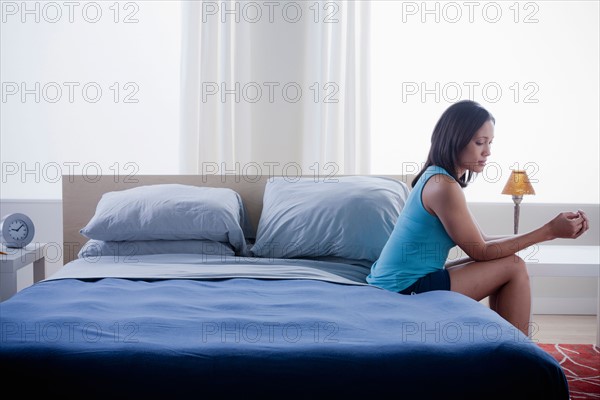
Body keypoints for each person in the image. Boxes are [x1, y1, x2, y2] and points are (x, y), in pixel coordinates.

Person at [366, 100, 590, 336]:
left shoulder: (439, 178)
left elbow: (481, 240)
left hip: (398, 284)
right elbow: (480, 251)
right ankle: (518, 358)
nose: (488, 152)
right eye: (480, 142)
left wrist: (548, 231)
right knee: (513, 266)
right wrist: (549, 231)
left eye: (490, 143)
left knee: (507, 260)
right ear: (455, 140)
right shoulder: (444, 187)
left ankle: (506, 351)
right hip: (404, 290)